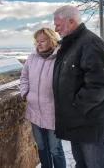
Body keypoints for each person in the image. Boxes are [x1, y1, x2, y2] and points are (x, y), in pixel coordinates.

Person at [52, 5, 104, 168]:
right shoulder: (71, 44)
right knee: (81, 164)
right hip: (78, 122)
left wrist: (76, 106)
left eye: (58, 25)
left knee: (95, 165)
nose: (55, 29)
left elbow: (101, 83)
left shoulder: (90, 43)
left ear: (72, 22)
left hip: (90, 122)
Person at [20, 28, 66, 168]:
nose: (39, 44)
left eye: (43, 41)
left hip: (53, 111)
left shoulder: (61, 57)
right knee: (41, 147)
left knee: (55, 148)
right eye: (37, 41)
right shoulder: (32, 57)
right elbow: (24, 76)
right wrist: (25, 93)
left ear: (52, 40)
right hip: (34, 110)